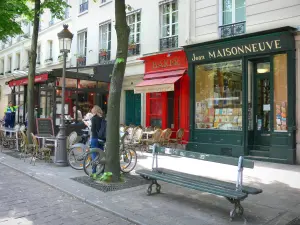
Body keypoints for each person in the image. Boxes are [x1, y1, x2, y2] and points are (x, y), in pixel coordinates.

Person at [90, 105, 105, 174]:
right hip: (102, 138)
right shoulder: (103, 118)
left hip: (95, 138)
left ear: (94, 111)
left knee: (94, 153)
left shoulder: (93, 118)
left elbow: (93, 129)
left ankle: (94, 170)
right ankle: (102, 170)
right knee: (101, 154)